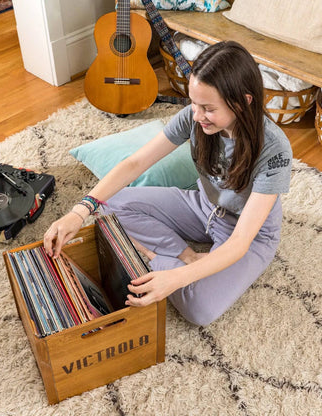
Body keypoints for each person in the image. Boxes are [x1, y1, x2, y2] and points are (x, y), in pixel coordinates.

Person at [43, 41, 292, 326]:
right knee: (108, 204)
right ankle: (181, 254)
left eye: (208, 108)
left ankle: (155, 259)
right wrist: (79, 211)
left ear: (243, 102)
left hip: (250, 234)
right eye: (194, 103)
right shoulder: (194, 117)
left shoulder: (275, 150)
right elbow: (134, 164)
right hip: (202, 206)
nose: (196, 116)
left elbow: (239, 243)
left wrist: (175, 278)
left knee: (199, 310)